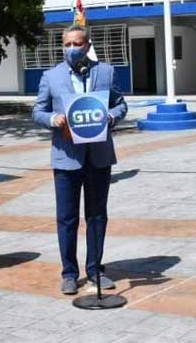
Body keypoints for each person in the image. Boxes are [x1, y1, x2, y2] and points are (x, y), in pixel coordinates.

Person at [32, 24, 127, 295]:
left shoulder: (106, 72)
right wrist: (53, 119)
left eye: (77, 44)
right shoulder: (50, 77)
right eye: (68, 44)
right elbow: (38, 111)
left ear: (87, 45)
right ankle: (69, 273)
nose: (72, 49)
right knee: (67, 217)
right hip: (66, 157)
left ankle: (96, 269)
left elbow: (121, 104)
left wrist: (110, 117)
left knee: (97, 216)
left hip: (98, 156)